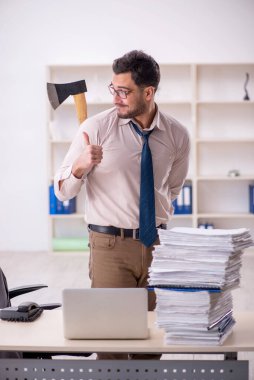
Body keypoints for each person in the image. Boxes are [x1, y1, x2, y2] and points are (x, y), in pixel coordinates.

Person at [54, 50, 190, 359]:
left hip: (157, 246)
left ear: (148, 92)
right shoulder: (95, 127)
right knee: (110, 345)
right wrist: (79, 166)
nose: (116, 98)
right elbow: (62, 190)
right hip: (110, 248)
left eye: (124, 92)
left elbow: (173, 188)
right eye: (113, 89)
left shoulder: (178, 135)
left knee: (152, 345)